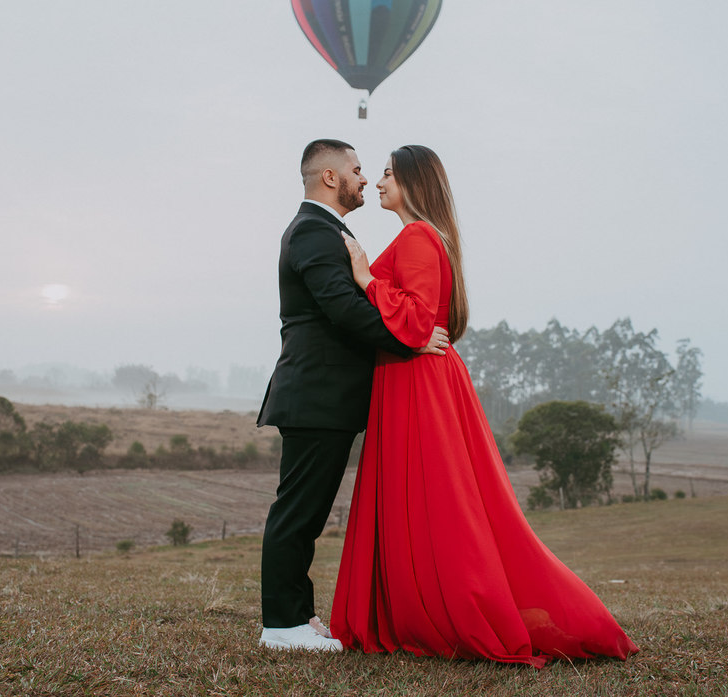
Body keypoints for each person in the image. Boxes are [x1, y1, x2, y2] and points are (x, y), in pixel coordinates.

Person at [331, 145, 638, 668]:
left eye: (386, 174)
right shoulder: (420, 237)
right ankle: (414, 602)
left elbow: (419, 318)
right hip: (408, 376)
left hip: (418, 378)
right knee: (424, 496)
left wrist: (364, 278)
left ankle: (467, 604)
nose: (378, 182)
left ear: (412, 182)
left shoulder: (420, 237)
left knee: (441, 500)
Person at [257, 139, 449, 652]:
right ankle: (282, 627)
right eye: (358, 170)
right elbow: (344, 308)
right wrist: (412, 337)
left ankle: (296, 618)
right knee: (298, 513)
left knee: (307, 513)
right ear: (329, 178)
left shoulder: (325, 231)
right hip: (316, 393)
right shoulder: (314, 232)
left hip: (324, 396)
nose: (365, 179)